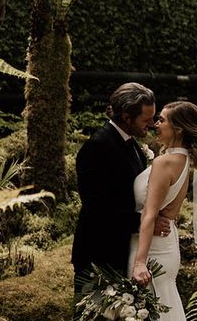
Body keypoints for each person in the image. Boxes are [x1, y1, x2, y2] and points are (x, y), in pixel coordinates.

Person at [71, 82, 171, 301]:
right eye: (146, 119)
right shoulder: (96, 147)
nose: (153, 124)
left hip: (123, 251)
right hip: (98, 255)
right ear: (126, 117)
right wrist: (145, 223)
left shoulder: (133, 145)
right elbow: (97, 209)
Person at [129, 101, 197, 321]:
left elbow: (149, 215)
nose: (156, 124)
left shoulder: (164, 163)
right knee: (162, 316)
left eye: (162, 120)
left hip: (150, 251)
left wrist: (139, 263)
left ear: (178, 129)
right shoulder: (184, 160)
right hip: (166, 245)